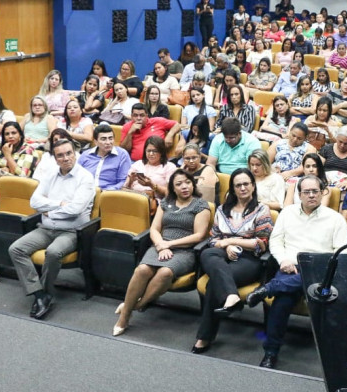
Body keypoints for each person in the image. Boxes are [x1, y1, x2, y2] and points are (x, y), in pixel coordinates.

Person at [245, 174, 347, 369]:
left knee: (284, 290)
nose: (311, 195)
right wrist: (283, 259)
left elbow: (343, 254)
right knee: (282, 303)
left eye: (315, 191)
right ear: (299, 194)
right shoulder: (287, 213)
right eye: (306, 192)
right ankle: (271, 352)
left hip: (319, 272)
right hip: (289, 267)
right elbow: (276, 241)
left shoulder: (335, 219)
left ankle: (266, 289)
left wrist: (321, 267)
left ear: (322, 193)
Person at [113, 169, 211, 336]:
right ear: (173, 188)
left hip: (185, 250)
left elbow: (199, 235)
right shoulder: (166, 202)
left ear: (193, 185)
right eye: (179, 184)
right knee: (142, 270)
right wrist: (160, 244)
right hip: (160, 246)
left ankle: (130, 309)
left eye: (187, 182)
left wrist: (169, 244)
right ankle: (126, 316)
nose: (184, 187)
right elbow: (155, 228)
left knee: (165, 272)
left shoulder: (201, 205)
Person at [9, 139, 95, 320]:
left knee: (54, 252)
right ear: (55, 159)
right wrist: (58, 204)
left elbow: (76, 210)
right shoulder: (50, 174)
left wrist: (49, 212)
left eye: (69, 153)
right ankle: (40, 294)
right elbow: (34, 201)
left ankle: (46, 291)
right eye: (60, 155)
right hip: (45, 228)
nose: (66, 158)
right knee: (16, 249)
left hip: (71, 231)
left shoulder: (85, 178)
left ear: (75, 154)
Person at [191, 167, 274, 353]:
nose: (243, 188)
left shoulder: (262, 210)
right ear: (233, 189)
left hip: (250, 259)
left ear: (253, 186)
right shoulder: (222, 210)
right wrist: (226, 246)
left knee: (214, 282)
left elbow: (262, 243)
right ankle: (231, 296)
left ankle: (204, 337)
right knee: (207, 253)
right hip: (222, 254)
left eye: (246, 184)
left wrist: (230, 240)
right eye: (238, 185)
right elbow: (213, 239)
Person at [123, 136, 178, 208]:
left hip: (154, 202)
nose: (151, 154)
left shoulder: (169, 167)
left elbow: (170, 193)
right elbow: (125, 188)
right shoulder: (138, 164)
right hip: (133, 198)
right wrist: (131, 180)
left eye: (155, 151)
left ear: (161, 152)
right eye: (148, 151)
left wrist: (151, 185)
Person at [77, 123, 131, 190]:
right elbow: (77, 176)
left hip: (109, 194)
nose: (108, 142)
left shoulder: (122, 155)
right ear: (96, 142)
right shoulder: (86, 155)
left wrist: (107, 192)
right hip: (86, 191)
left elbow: (123, 181)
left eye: (110, 138)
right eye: (103, 139)